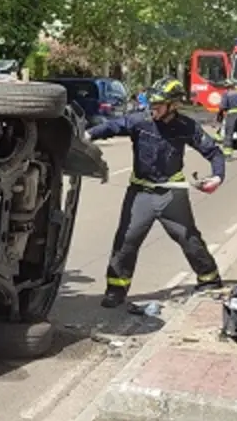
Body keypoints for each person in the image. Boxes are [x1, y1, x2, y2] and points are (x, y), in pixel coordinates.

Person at [82, 76, 225, 313]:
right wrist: (86, 136)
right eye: (151, 105)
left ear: (173, 106)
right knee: (126, 240)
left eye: (158, 106)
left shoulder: (187, 127)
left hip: (172, 195)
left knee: (188, 238)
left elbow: (214, 153)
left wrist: (217, 177)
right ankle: (116, 290)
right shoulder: (140, 121)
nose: (153, 109)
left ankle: (209, 279)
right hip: (140, 193)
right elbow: (112, 126)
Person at [216, 79, 237, 156]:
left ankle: (227, 154)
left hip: (232, 115)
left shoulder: (226, 94)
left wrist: (219, 116)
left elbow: (223, 107)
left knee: (228, 134)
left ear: (227, 87)